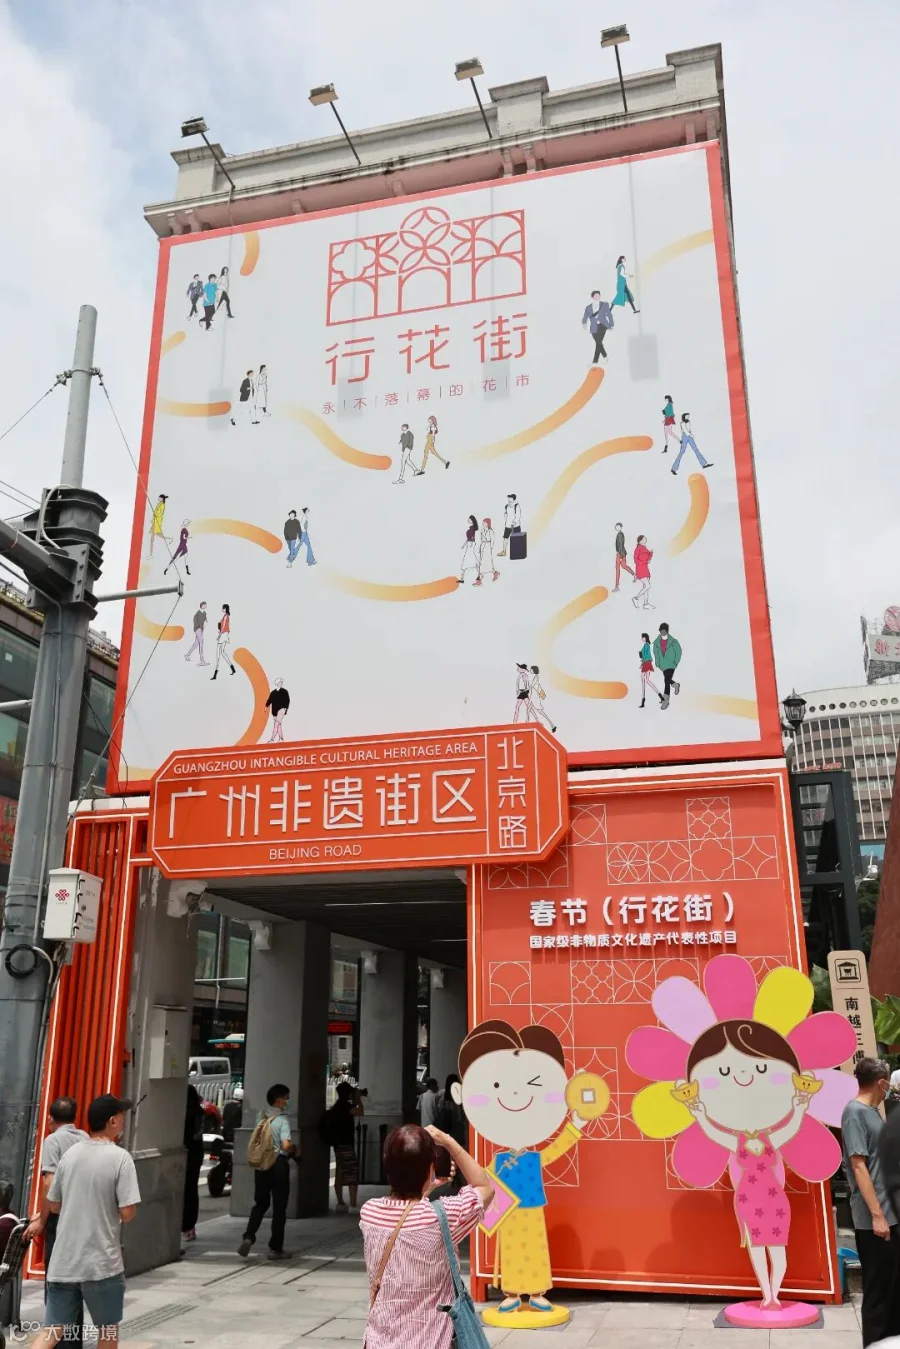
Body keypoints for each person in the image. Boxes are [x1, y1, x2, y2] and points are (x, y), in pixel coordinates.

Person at [360, 1123, 493, 1349]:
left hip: (379, 1342)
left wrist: (424, 1187)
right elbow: (484, 1187)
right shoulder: (442, 1217)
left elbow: (406, 1216)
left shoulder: (370, 1212)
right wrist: (448, 1141)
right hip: (431, 1341)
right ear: (431, 1167)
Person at [30, 1093, 140, 1349]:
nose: (123, 1121)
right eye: (121, 1116)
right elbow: (127, 1212)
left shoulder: (69, 1155)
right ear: (112, 1121)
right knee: (107, 1332)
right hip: (101, 1263)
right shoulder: (120, 1158)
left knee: (52, 1331)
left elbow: (53, 1203)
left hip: (63, 1261)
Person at [841, 1058, 899, 1347]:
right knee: (877, 1290)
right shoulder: (854, 1112)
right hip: (875, 1219)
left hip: (891, 1214)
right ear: (882, 1082)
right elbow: (858, 1165)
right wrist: (877, 1215)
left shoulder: (874, 1113)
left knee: (892, 1289)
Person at [25, 1097, 88, 1271]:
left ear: (50, 1118)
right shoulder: (84, 1137)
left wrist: (42, 1220)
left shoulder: (53, 1140)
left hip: (60, 1215)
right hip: (82, 1213)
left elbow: (49, 1183)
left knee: (55, 1269)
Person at [238, 1083, 295, 1261]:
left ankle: (249, 1236)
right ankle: (275, 1248)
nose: (288, 1101)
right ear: (279, 1100)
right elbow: (286, 1145)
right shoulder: (283, 1120)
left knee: (261, 1203)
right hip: (278, 1164)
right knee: (279, 1208)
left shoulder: (260, 1116)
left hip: (262, 1164)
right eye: (286, 1098)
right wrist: (294, 1149)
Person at [321, 1083, 363, 1213]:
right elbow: (360, 1112)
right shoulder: (347, 1107)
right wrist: (358, 1100)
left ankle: (340, 1203)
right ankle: (353, 1204)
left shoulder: (335, 1107)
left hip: (337, 1144)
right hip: (347, 1145)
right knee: (352, 1173)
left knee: (339, 1172)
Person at [182, 1085, 205, 1243]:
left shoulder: (187, 1113)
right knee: (192, 1189)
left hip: (188, 1153)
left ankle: (185, 1225)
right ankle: (190, 1227)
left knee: (186, 1191)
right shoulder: (200, 1112)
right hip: (197, 1152)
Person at [653, 622, 682, 710]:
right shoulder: (656, 642)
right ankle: (675, 685)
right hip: (663, 665)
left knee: (666, 681)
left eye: (664, 631)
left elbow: (679, 652)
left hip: (671, 664)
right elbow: (655, 653)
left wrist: (675, 662)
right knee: (667, 679)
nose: (663, 632)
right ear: (659, 631)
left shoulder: (674, 641)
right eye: (661, 631)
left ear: (667, 631)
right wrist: (657, 663)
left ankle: (666, 700)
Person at [581, 289, 614, 364]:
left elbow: (609, 314)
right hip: (593, 327)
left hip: (603, 325)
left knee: (598, 343)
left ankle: (595, 361)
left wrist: (611, 324)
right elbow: (585, 316)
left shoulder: (604, 304)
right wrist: (584, 323)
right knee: (599, 343)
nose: (597, 296)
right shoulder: (588, 307)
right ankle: (605, 356)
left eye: (598, 295)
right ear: (592, 297)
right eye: (595, 295)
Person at [528, 665, 557, 733]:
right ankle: (531, 724)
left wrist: (525, 689)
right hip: (533, 696)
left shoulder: (536, 677)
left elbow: (531, 686)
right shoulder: (534, 677)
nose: (530, 670)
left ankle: (551, 725)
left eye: (531, 669)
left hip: (535, 697)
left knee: (540, 712)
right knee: (529, 710)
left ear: (534, 670)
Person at [638, 632, 664, 709]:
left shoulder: (646, 645)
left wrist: (642, 663)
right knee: (646, 680)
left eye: (643, 637)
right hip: (646, 663)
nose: (642, 638)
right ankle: (660, 697)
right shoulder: (646, 645)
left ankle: (644, 701)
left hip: (646, 663)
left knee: (645, 680)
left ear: (645, 638)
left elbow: (646, 656)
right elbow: (644, 655)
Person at [211, 604, 236, 680]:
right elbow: (224, 626)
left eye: (223, 608)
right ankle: (232, 668)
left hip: (223, 635)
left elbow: (224, 626)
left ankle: (215, 674)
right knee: (222, 652)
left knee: (218, 654)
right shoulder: (226, 616)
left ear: (225, 609)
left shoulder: (225, 616)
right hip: (225, 635)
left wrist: (219, 635)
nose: (222, 609)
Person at [474, 517, 500, 586]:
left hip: (488, 547)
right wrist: (479, 548)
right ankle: (495, 573)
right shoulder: (482, 530)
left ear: (488, 523)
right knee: (484, 564)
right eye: (483, 522)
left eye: (484, 522)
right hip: (483, 546)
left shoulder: (490, 531)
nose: (483, 523)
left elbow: (493, 540)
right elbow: (480, 540)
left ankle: (479, 581)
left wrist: (491, 548)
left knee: (485, 564)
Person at [632, 534, 654, 610]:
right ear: (640, 541)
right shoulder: (638, 548)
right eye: (644, 538)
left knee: (646, 588)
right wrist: (645, 562)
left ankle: (646, 604)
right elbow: (636, 560)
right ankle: (636, 598)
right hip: (640, 569)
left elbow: (648, 559)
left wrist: (651, 553)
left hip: (645, 569)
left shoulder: (645, 548)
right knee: (648, 586)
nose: (646, 539)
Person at [184, 601, 209, 665]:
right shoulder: (198, 613)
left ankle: (187, 655)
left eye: (205, 605)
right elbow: (195, 620)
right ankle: (202, 660)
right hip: (198, 629)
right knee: (201, 643)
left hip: (201, 629)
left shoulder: (204, 613)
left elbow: (205, 619)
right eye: (204, 605)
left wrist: (206, 620)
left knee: (196, 644)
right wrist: (197, 628)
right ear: (201, 606)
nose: (205, 606)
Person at [612, 522, 635, 591]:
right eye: (616, 526)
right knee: (622, 567)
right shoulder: (619, 534)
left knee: (619, 568)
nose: (617, 528)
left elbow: (621, 545)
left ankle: (617, 587)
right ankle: (634, 575)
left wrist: (621, 556)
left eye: (618, 526)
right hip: (620, 553)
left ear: (621, 527)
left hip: (620, 554)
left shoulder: (620, 535)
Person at [459, 515, 479, 584]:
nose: (468, 520)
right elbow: (468, 539)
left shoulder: (474, 529)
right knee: (469, 561)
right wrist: (464, 545)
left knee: (471, 560)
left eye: (469, 519)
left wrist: (472, 544)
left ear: (472, 520)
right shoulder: (471, 528)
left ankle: (479, 576)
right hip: (469, 545)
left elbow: (474, 538)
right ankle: (462, 579)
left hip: (471, 545)